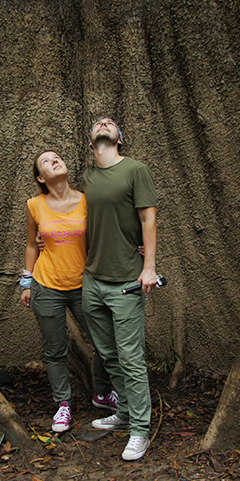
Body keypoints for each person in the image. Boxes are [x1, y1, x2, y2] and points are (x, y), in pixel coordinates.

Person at [20, 150, 116, 433]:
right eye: (47, 161)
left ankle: (102, 392)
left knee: (104, 341)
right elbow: (30, 245)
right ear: (41, 177)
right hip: (46, 284)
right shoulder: (34, 205)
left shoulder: (87, 201)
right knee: (55, 350)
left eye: (57, 157)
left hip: (85, 285)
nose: (55, 160)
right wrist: (26, 283)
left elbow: (103, 235)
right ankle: (63, 405)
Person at [81, 118, 158, 462]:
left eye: (111, 123)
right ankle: (124, 413)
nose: (104, 123)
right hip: (92, 280)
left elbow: (148, 219)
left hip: (127, 280)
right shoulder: (87, 178)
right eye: (99, 122)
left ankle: (140, 429)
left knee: (130, 357)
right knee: (108, 353)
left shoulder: (135, 170)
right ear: (90, 141)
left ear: (120, 139)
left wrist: (150, 267)